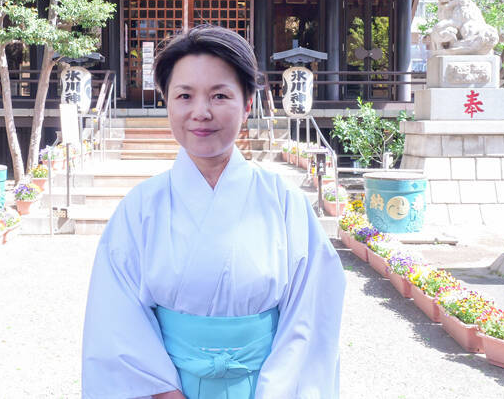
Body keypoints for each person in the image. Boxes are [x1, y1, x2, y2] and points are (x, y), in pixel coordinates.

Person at [82, 25, 346, 399]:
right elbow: (115, 319)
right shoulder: (140, 208)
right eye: (184, 95)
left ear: (248, 102)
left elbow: (310, 318)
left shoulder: (285, 204)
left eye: (220, 95)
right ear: (166, 100)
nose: (201, 112)